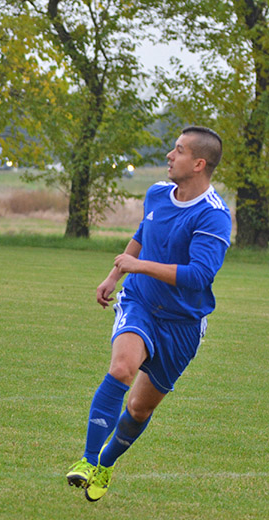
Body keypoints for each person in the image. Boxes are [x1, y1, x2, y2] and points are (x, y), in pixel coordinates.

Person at [65, 126, 232, 501]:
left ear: (199, 163)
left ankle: (104, 466)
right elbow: (144, 232)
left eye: (178, 150)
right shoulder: (157, 193)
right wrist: (115, 274)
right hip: (139, 301)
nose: (170, 156)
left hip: (183, 323)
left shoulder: (214, 217)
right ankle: (87, 460)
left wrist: (138, 266)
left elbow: (198, 276)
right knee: (121, 367)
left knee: (139, 408)